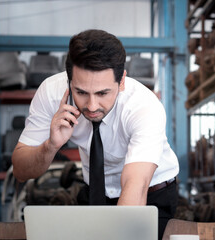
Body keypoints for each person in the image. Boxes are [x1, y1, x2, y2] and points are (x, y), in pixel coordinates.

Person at [12, 29, 179, 240]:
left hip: (150, 194)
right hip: (95, 192)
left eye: (102, 93)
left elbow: (135, 185)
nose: (91, 106)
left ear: (122, 81)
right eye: (81, 92)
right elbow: (20, 170)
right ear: (69, 81)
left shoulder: (143, 107)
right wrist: (51, 146)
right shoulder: (51, 93)